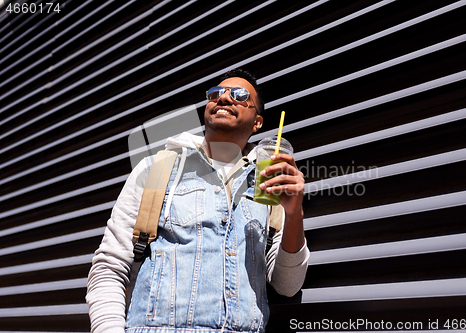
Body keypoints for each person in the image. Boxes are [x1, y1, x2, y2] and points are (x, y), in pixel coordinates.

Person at [86, 69, 309, 333]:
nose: (224, 98)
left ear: (257, 122)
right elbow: (109, 266)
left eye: (239, 95)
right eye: (215, 93)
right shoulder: (157, 169)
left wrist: (295, 214)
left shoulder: (268, 186)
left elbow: (287, 285)